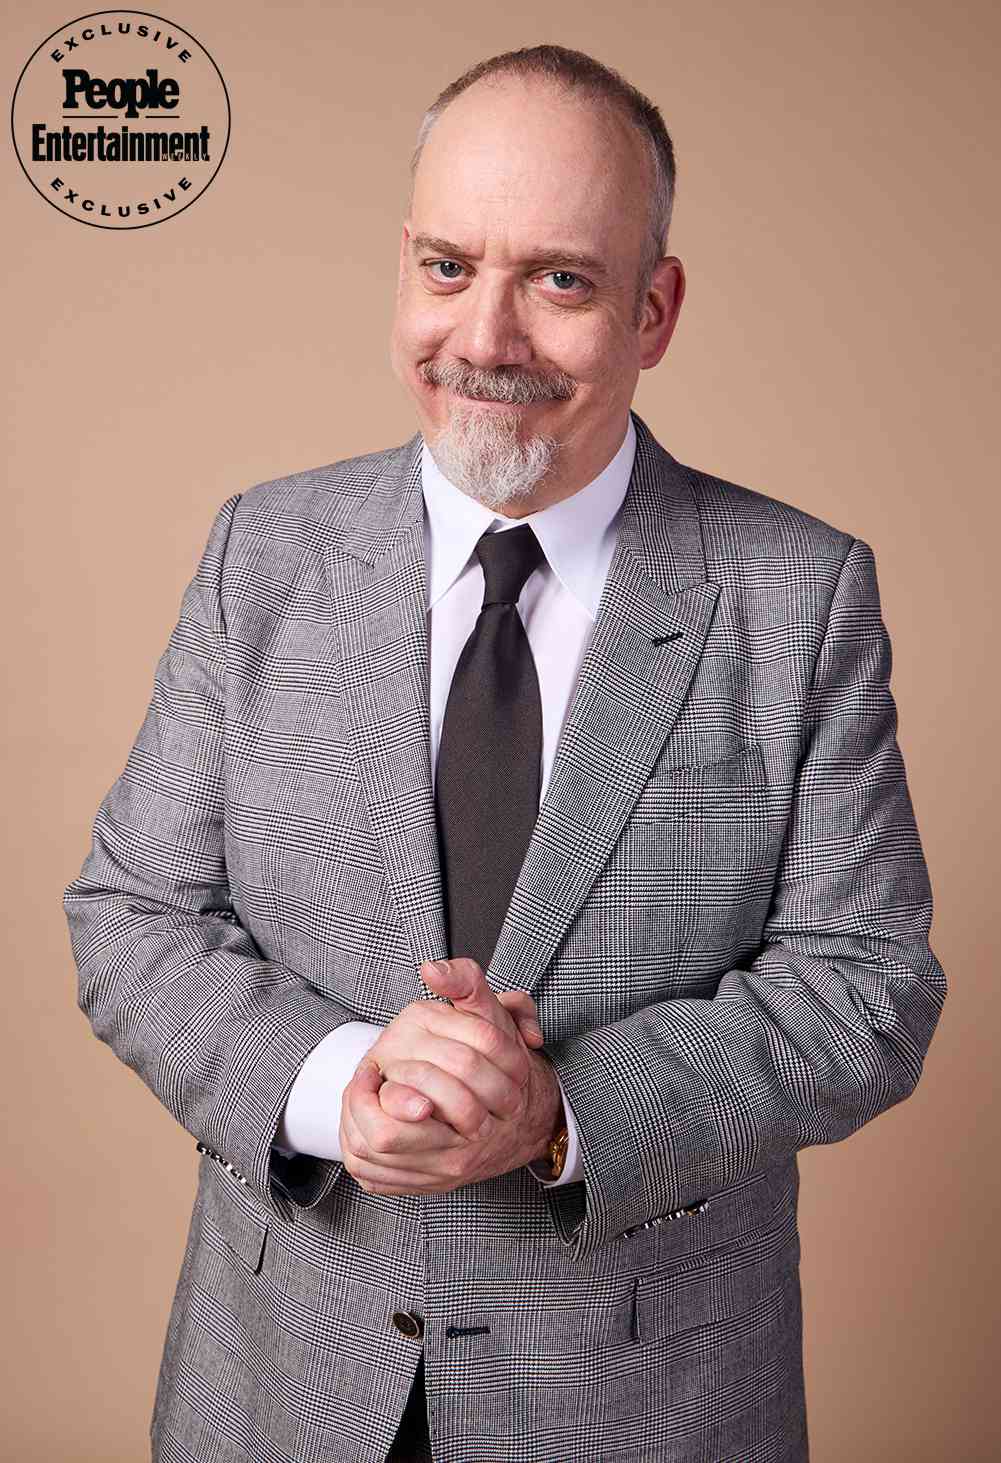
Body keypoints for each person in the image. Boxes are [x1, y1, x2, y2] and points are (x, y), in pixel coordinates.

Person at [64, 42, 947, 1463]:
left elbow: (868, 986)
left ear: (653, 310)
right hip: (284, 1389)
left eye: (559, 280)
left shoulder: (799, 595)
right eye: (444, 266)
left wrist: (559, 1110)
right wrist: (331, 1081)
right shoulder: (262, 553)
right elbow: (133, 913)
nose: (485, 337)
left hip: (646, 1410)